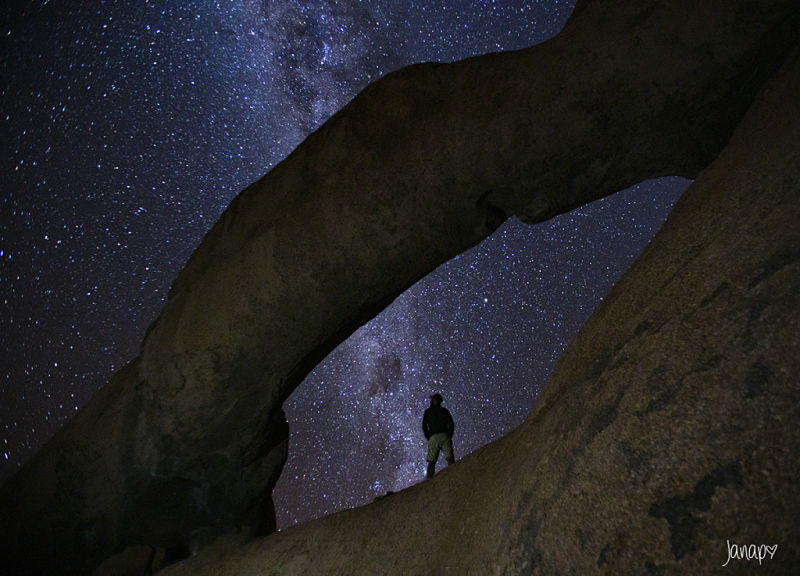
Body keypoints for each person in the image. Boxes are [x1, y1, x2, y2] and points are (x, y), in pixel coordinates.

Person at [422, 393, 455, 478]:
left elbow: (424, 426)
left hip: (433, 437)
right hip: (445, 436)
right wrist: (449, 435)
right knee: (450, 458)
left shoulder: (428, 412)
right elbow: (451, 424)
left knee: (431, 461)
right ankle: (454, 476)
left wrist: (428, 437)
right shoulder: (445, 411)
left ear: (432, 401)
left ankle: (429, 480)